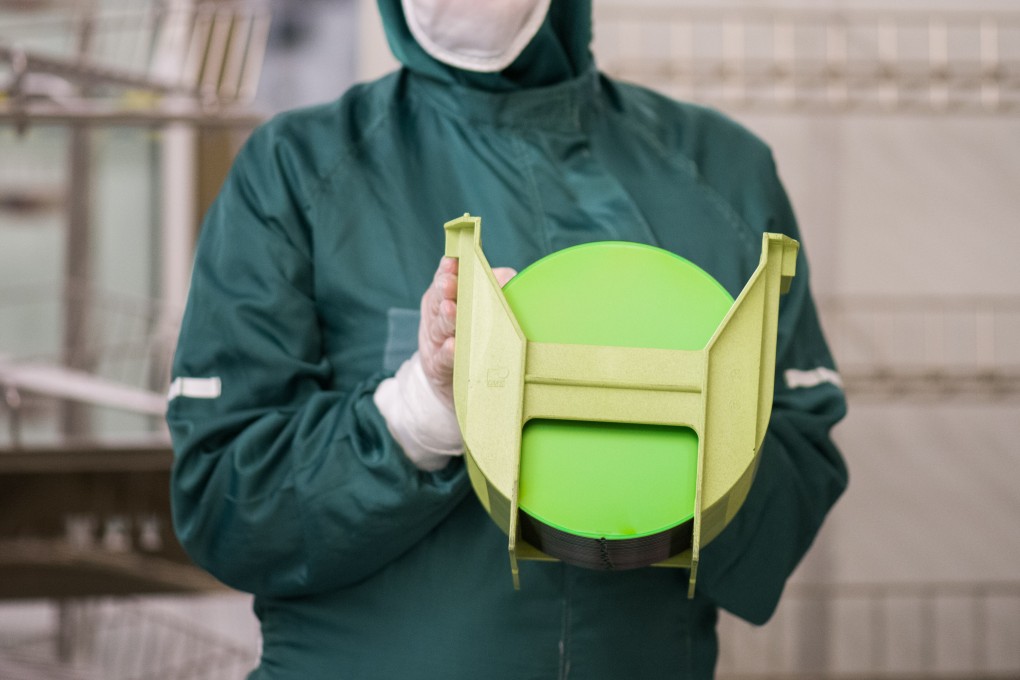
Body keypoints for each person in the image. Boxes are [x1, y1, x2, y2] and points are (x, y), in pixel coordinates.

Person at [166, 1, 848, 677]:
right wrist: (422, 411)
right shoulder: (296, 171)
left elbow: (798, 477)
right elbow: (228, 506)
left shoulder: (723, 171)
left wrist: (673, 445)